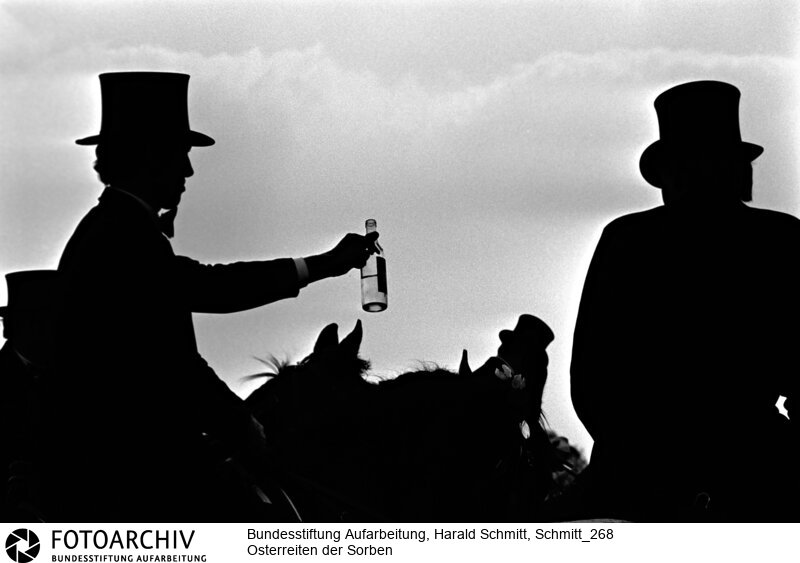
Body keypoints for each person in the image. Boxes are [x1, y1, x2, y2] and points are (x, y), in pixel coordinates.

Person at [44, 72, 378, 521]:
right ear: (148, 156)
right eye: (179, 155)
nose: (188, 170)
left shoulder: (113, 229)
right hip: (128, 474)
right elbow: (190, 328)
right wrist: (238, 422)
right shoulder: (124, 237)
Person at [571, 80, 800, 521]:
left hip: (639, 472)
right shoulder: (783, 238)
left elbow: (591, 380)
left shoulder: (626, 240)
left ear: (675, 172)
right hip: (757, 468)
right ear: (735, 169)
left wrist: (640, 461)